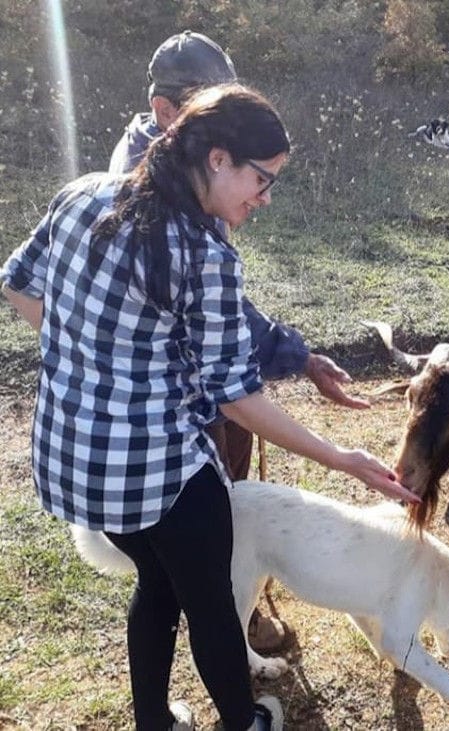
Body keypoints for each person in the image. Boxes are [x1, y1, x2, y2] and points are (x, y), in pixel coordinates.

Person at [1, 83, 420, 731]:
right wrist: (343, 457)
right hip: (160, 471)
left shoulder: (81, 193)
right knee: (212, 604)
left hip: (72, 461)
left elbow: (17, 282)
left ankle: (154, 721)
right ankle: (242, 719)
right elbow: (237, 397)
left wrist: (86, 355)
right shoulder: (204, 250)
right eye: (263, 178)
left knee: (158, 584)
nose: (266, 196)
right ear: (218, 159)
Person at [110, 30, 360, 654]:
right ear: (165, 112)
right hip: (169, 404)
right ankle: (228, 614)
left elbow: (215, 307)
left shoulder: (184, 165)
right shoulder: (152, 181)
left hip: (175, 378)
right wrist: (334, 447)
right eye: (200, 106)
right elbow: (209, 322)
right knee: (209, 508)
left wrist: (294, 354)